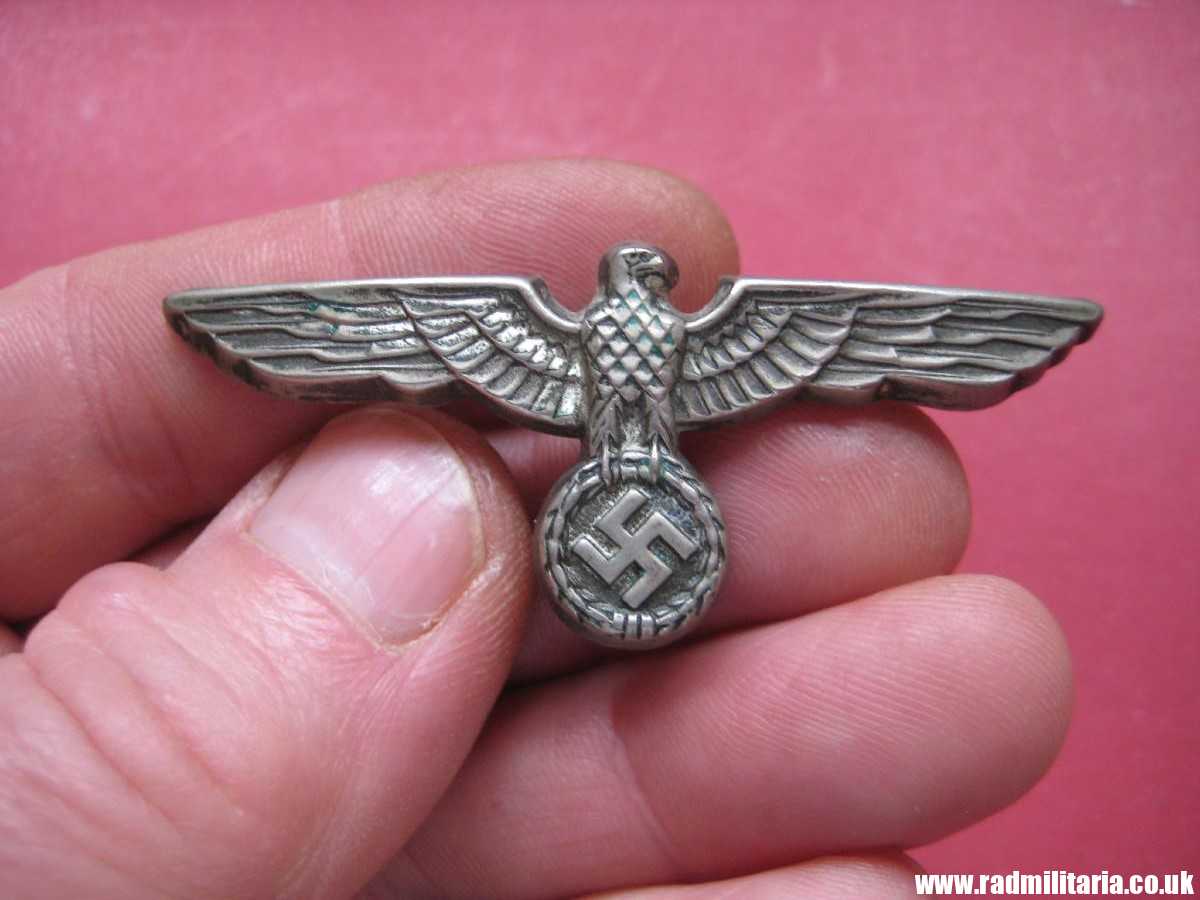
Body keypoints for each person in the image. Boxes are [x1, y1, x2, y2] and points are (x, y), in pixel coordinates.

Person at [0, 160, 1072, 898]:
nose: (649, 278)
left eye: (650, 276)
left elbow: (839, 337)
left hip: (643, 469)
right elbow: (388, 334)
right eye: (641, 273)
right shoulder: (530, 328)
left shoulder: (718, 334)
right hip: (612, 476)